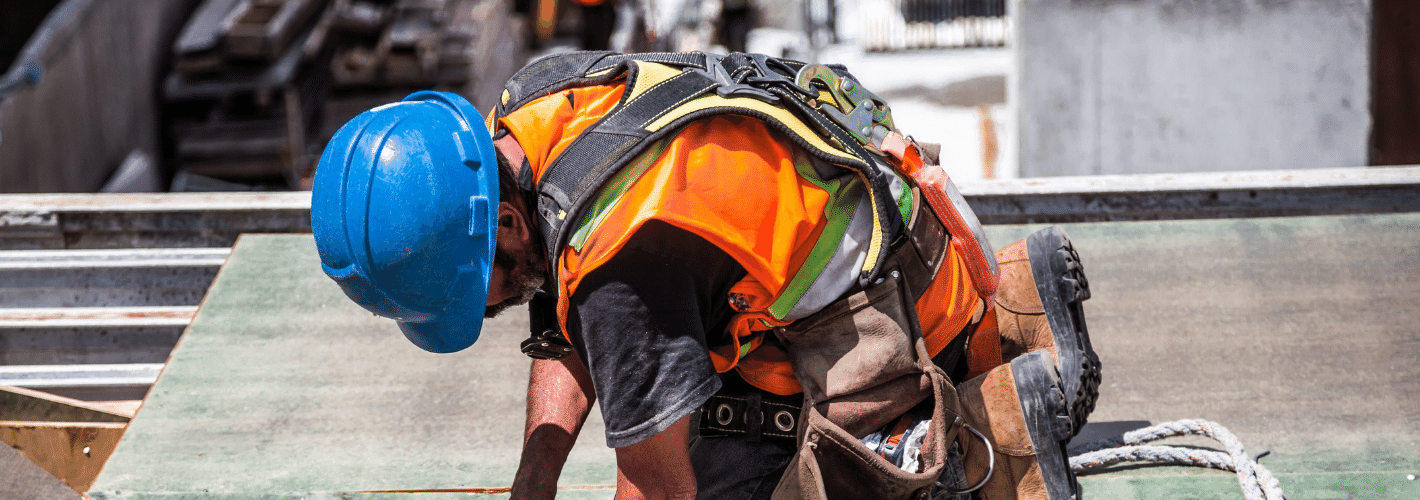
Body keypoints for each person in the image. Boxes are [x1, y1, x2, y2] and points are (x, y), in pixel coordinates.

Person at [310, 51, 1101, 500]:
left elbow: (660, 490)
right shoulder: (534, 109)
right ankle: (1016, 299)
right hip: (898, 224)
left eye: (467, 295)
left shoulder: (623, 260)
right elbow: (561, 311)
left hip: (896, 315)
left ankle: (982, 425)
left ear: (506, 224)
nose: (479, 315)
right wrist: (537, 474)